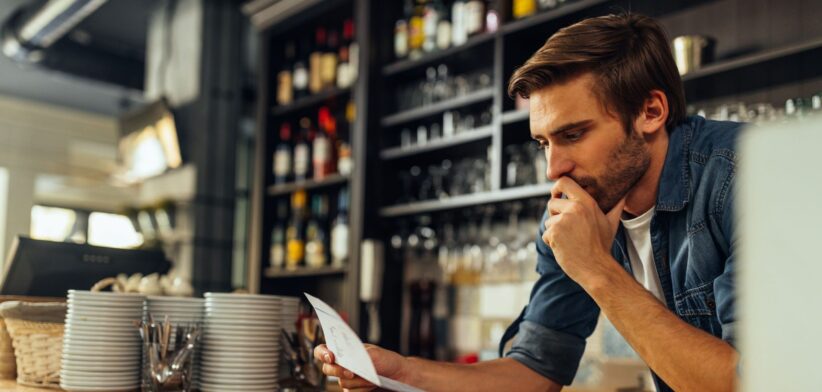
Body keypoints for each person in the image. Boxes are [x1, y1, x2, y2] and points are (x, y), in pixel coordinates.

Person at [316, 13, 740, 392]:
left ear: (650, 111)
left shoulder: (744, 178)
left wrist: (594, 267)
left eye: (573, 135)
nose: (553, 169)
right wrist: (402, 372)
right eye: (543, 142)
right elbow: (534, 370)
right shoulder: (573, 207)